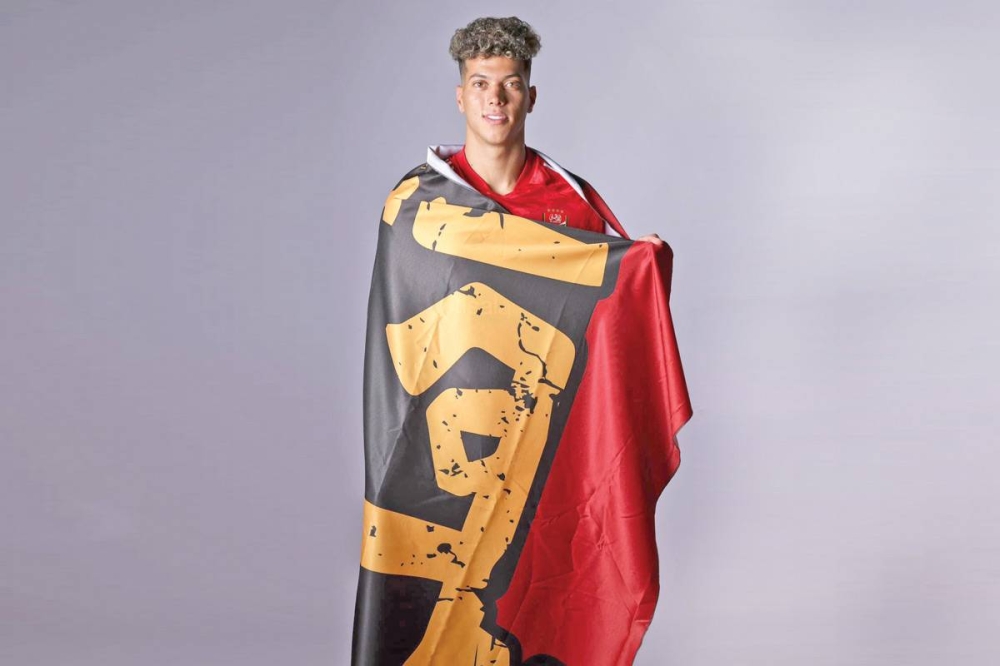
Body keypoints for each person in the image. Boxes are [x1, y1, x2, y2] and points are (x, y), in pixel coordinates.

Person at [425, 16, 663, 244]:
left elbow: (614, 268)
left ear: (531, 98)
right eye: (480, 84)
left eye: (511, 84)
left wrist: (640, 257)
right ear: (460, 98)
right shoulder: (424, 197)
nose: (495, 98)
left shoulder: (572, 200)